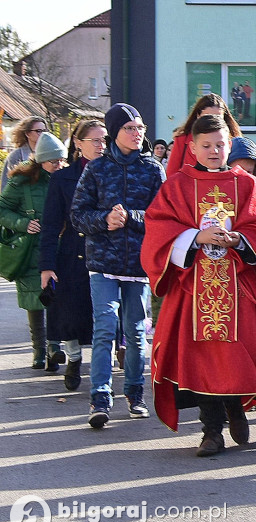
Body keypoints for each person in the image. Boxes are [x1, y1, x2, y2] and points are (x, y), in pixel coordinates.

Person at [142, 114, 256, 456]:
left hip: (239, 289)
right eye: (206, 145)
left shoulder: (248, 184)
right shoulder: (177, 186)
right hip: (193, 289)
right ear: (192, 146)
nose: (213, 151)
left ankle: (236, 407)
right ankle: (211, 431)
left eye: (220, 144)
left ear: (230, 144)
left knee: (237, 357)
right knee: (200, 362)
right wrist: (195, 236)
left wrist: (241, 239)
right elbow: (158, 228)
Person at [71, 103, 165, 428]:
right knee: (105, 329)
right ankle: (99, 399)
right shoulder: (96, 169)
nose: (137, 133)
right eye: (129, 128)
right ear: (114, 132)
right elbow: (78, 215)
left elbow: (163, 216)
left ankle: (135, 395)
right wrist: (104, 220)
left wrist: (132, 218)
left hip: (139, 266)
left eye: (140, 127)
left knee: (137, 333)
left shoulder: (153, 169)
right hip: (103, 263)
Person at [39, 120, 106, 389]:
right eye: (96, 141)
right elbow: (51, 224)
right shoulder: (62, 178)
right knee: (68, 310)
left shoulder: (113, 172)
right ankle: (75, 359)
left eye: (105, 140)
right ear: (78, 143)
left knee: (102, 312)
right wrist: (46, 265)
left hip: (105, 251)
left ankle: (105, 365)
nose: (102, 146)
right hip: (72, 252)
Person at [0, 131, 66, 370]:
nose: (58, 165)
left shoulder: (66, 179)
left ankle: (54, 348)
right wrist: (23, 223)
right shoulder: (21, 182)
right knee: (35, 302)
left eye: (61, 160)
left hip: (56, 249)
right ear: (40, 160)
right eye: (53, 161)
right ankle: (40, 351)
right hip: (29, 251)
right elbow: (2, 210)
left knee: (56, 298)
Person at [165, 94, 242, 178]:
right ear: (198, 116)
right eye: (207, 116)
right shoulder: (182, 140)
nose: (212, 121)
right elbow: (171, 175)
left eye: (217, 117)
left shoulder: (235, 141)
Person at [2, 116, 47, 190]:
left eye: (44, 131)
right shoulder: (16, 155)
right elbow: (6, 184)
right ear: (27, 134)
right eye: (38, 131)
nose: (42, 134)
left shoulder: (50, 152)